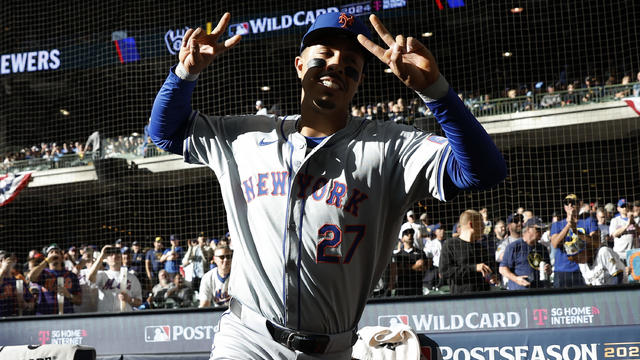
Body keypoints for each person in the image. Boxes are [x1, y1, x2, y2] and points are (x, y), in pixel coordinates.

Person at [149, 12, 505, 358]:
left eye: (350, 59)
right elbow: (164, 132)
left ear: (359, 78)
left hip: (331, 348)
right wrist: (184, 74)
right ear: (300, 65)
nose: (336, 63)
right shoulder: (245, 135)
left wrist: (436, 92)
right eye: (324, 53)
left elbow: (484, 170)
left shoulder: (391, 147)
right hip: (248, 339)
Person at [439, 210, 498, 294]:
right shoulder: (450, 245)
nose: (484, 227)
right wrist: (474, 268)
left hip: (483, 300)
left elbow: (489, 271)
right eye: (481, 224)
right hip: (461, 300)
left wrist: (491, 277)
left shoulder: (481, 247)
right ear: (471, 225)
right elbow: (445, 272)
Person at [550, 194, 598, 288]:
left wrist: (576, 231)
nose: (570, 206)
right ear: (564, 207)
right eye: (567, 203)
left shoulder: (589, 221)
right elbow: (555, 244)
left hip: (583, 269)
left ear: (579, 205)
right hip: (562, 270)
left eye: (573, 203)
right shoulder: (557, 225)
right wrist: (568, 225)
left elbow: (595, 242)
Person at [26, 244, 82, 315]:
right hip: (45, 316)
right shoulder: (43, 273)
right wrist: (46, 261)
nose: (54, 254)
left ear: (61, 258)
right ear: (46, 257)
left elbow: (79, 301)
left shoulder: (71, 276)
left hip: (66, 316)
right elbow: (30, 277)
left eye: (57, 252)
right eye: (51, 252)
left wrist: (68, 295)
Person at [499, 219, 551, 290]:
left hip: (539, 292)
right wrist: (516, 279)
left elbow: (549, 270)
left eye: (543, 230)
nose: (541, 232)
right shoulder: (514, 247)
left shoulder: (542, 248)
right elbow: (502, 269)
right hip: (520, 292)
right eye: (538, 229)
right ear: (528, 229)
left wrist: (548, 270)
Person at [87, 245, 142, 312]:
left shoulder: (132, 277)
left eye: (117, 253)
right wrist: (101, 256)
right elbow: (90, 277)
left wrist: (129, 299)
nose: (114, 256)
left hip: (125, 317)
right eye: (110, 254)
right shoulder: (102, 275)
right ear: (106, 259)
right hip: (105, 317)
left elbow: (139, 302)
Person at [389, 228, 427, 296]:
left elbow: (422, 268)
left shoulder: (420, 253)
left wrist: (405, 267)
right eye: (407, 234)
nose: (410, 235)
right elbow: (397, 270)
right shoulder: (398, 255)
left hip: (416, 287)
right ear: (402, 239)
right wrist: (415, 266)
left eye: (411, 234)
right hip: (402, 288)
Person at [609, 198, 639, 263]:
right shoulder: (615, 220)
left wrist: (634, 223)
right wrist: (627, 225)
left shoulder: (636, 219)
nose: (625, 208)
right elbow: (614, 234)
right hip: (620, 254)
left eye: (626, 206)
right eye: (622, 206)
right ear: (618, 209)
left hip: (633, 253)